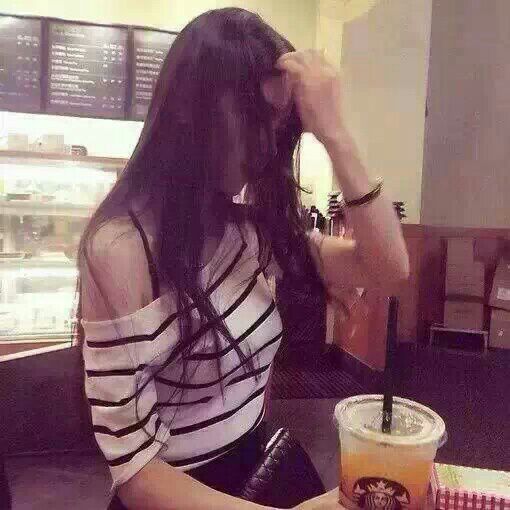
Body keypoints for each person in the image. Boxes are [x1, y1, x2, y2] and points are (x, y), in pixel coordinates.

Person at [78, 7, 409, 510]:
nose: (268, 143)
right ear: (194, 110)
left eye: (279, 124)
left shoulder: (249, 230)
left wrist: (336, 133)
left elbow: (388, 270)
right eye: (256, 117)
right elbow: (135, 473)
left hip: (261, 474)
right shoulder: (120, 249)